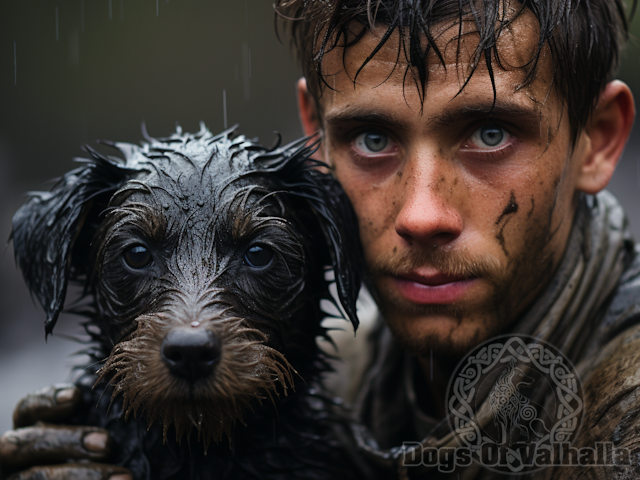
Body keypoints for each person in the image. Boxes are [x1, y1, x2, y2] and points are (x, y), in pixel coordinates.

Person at [1, 1, 638, 479]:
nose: (422, 214)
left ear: (599, 138)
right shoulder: (344, 379)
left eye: (492, 133)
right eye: (372, 138)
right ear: (317, 143)